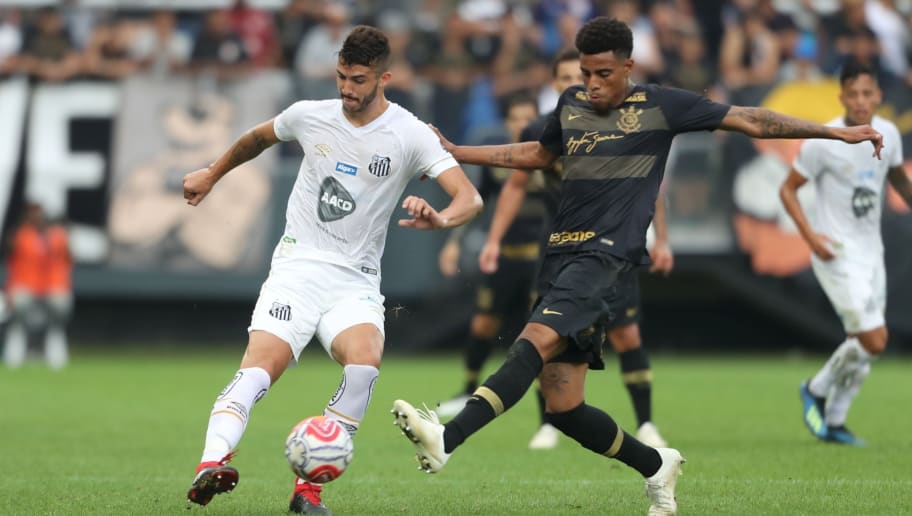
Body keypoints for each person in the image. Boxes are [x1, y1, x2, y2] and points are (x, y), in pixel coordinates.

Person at [391, 17, 883, 516]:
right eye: (586, 73)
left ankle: (446, 439)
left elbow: (752, 119)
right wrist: (457, 151)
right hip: (560, 257)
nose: (592, 83)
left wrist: (832, 134)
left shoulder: (663, 105)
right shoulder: (570, 106)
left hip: (606, 257)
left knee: (532, 341)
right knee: (564, 408)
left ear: (628, 66)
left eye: (603, 73)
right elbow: (537, 154)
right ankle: (656, 466)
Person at [182, 25, 482, 514]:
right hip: (297, 268)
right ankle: (211, 464)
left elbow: (470, 197)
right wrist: (211, 175)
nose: (346, 88)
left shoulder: (409, 133)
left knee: (364, 364)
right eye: (342, 76)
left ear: (384, 77)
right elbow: (256, 139)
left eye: (358, 79)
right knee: (261, 367)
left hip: (355, 280)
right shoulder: (310, 115)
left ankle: (308, 494)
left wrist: (442, 218)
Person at [781, 61, 909, 447]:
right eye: (852, 94)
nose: (860, 101)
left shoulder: (889, 133)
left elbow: (900, 178)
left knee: (863, 345)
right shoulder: (824, 141)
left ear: (878, 96)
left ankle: (835, 421)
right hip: (835, 251)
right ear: (841, 97)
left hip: (873, 252)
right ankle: (815, 389)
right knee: (874, 340)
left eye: (867, 93)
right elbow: (788, 190)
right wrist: (811, 237)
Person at [435, 93, 543, 419]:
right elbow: (475, 201)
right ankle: (468, 389)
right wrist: (454, 241)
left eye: (528, 117)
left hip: (540, 260)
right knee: (483, 325)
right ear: (507, 123)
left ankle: (547, 412)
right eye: (516, 118)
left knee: (541, 334)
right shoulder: (498, 164)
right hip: (504, 256)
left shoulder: (549, 158)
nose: (522, 124)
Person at [3, 202, 73, 370]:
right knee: (19, 303)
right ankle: (15, 348)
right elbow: (9, 252)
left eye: (40, 215)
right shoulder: (20, 235)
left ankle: (54, 344)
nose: (38, 218)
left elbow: (69, 258)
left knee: (60, 303)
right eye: (33, 214)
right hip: (25, 284)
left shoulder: (59, 236)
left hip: (51, 284)